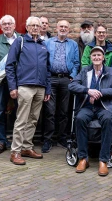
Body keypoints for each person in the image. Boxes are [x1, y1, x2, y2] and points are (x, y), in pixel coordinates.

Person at [69, 46, 112, 176]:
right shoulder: (84, 71)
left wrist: (101, 93)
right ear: (90, 58)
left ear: (103, 57)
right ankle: (83, 158)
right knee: (79, 119)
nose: (96, 58)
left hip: (104, 107)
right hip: (87, 107)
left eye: (99, 55)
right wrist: (87, 91)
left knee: (108, 119)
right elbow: (72, 85)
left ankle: (103, 160)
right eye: (94, 55)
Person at [5, 16, 51, 165]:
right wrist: (13, 87)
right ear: (27, 27)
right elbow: (10, 65)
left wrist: (47, 89)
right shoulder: (20, 41)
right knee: (21, 120)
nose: (36, 28)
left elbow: (47, 69)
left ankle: (26, 147)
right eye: (33, 25)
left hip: (40, 87)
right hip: (25, 86)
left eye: (38, 25)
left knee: (33, 120)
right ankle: (15, 152)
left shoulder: (43, 45)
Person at [42, 20, 80, 153]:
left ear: (69, 29)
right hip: (51, 79)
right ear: (56, 28)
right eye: (61, 26)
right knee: (49, 111)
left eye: (66, 27)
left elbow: (76, 63)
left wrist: (72, 76)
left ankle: (62, 137)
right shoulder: (48, 43)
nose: (63, 29)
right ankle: (48, 139)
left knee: (64, 111)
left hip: (66, 79)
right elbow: (44, 61)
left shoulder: (73, 44)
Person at [0, 15, 20, 154]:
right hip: (1, 83)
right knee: (0, 111)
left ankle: (17, 141)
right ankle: (1, 141)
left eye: (9, 23)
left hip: (18, 82)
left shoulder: (21, 40)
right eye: (4, 24)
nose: (7, 26)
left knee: (19, 112)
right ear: (1, 27)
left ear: (14, 25)